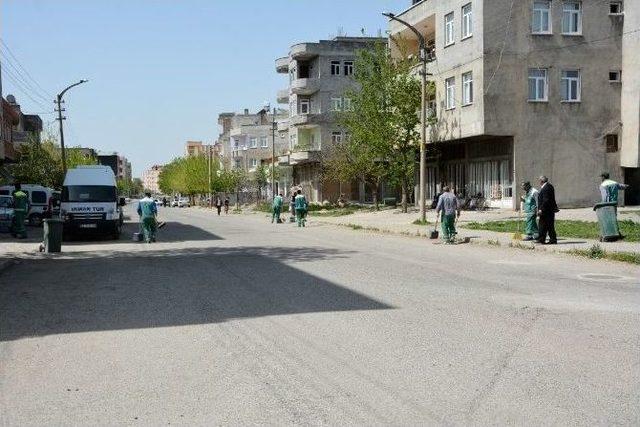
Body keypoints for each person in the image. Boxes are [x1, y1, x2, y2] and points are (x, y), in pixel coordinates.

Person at [536, 175, 558, 245]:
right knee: (549, 225)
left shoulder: (546, 188)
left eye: (539, 180)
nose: (539, 182)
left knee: (542, 225)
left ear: (541, 181)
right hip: (549, 210)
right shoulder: (549, 186)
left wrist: (541, 209)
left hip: (546, 210)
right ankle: (552, 240)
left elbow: (546, 200)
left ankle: (541, 240)